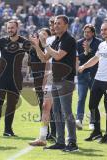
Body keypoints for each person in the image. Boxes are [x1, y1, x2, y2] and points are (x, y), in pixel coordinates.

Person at [31, 15, 78, 152]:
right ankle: (60, 141)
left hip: (65, 80)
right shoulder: (57, 40)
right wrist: (37, 45)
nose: (56, 25)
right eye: (55, 23)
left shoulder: (69, 39)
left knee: (66, 111)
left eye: (59, 23)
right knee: (56, 111)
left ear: (66, 25)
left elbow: (58, 56)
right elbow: (45, 58)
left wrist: (45, 44)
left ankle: (72, 143)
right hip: (55, 79)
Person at [0, 20, 31, 137]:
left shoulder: (24, 42)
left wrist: (30, 65)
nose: (10, 30)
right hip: (1, 77)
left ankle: (8, 130)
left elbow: (33, 55)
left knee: (11, 104)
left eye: (12, 28)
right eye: (8, 28)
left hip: (16, 78)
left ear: (17, 28)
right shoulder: (2, 41)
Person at [28, 28, 53, 146]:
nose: (41, 36)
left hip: (53, 78)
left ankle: (56, 133)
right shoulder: (34, 48)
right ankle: (45, 134)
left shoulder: (51, 46)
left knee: (55, 107)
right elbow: (33, 62)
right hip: (40, 79)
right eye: (40, 34)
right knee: (43, 105)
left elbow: (45, 61)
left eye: (44, 34)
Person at [75, 24, 102, 130]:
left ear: (93, 33)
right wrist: (85, 52)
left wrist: (88, 51)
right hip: (82, 74)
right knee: (81, 98)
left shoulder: (99, 42)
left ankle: (93, 121)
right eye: (85, 32)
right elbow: (78, 58)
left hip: (95, 74)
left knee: (93, 99)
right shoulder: (79, 43)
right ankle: (79, 120)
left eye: (88, 32)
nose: (86, 34)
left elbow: (97, 57)